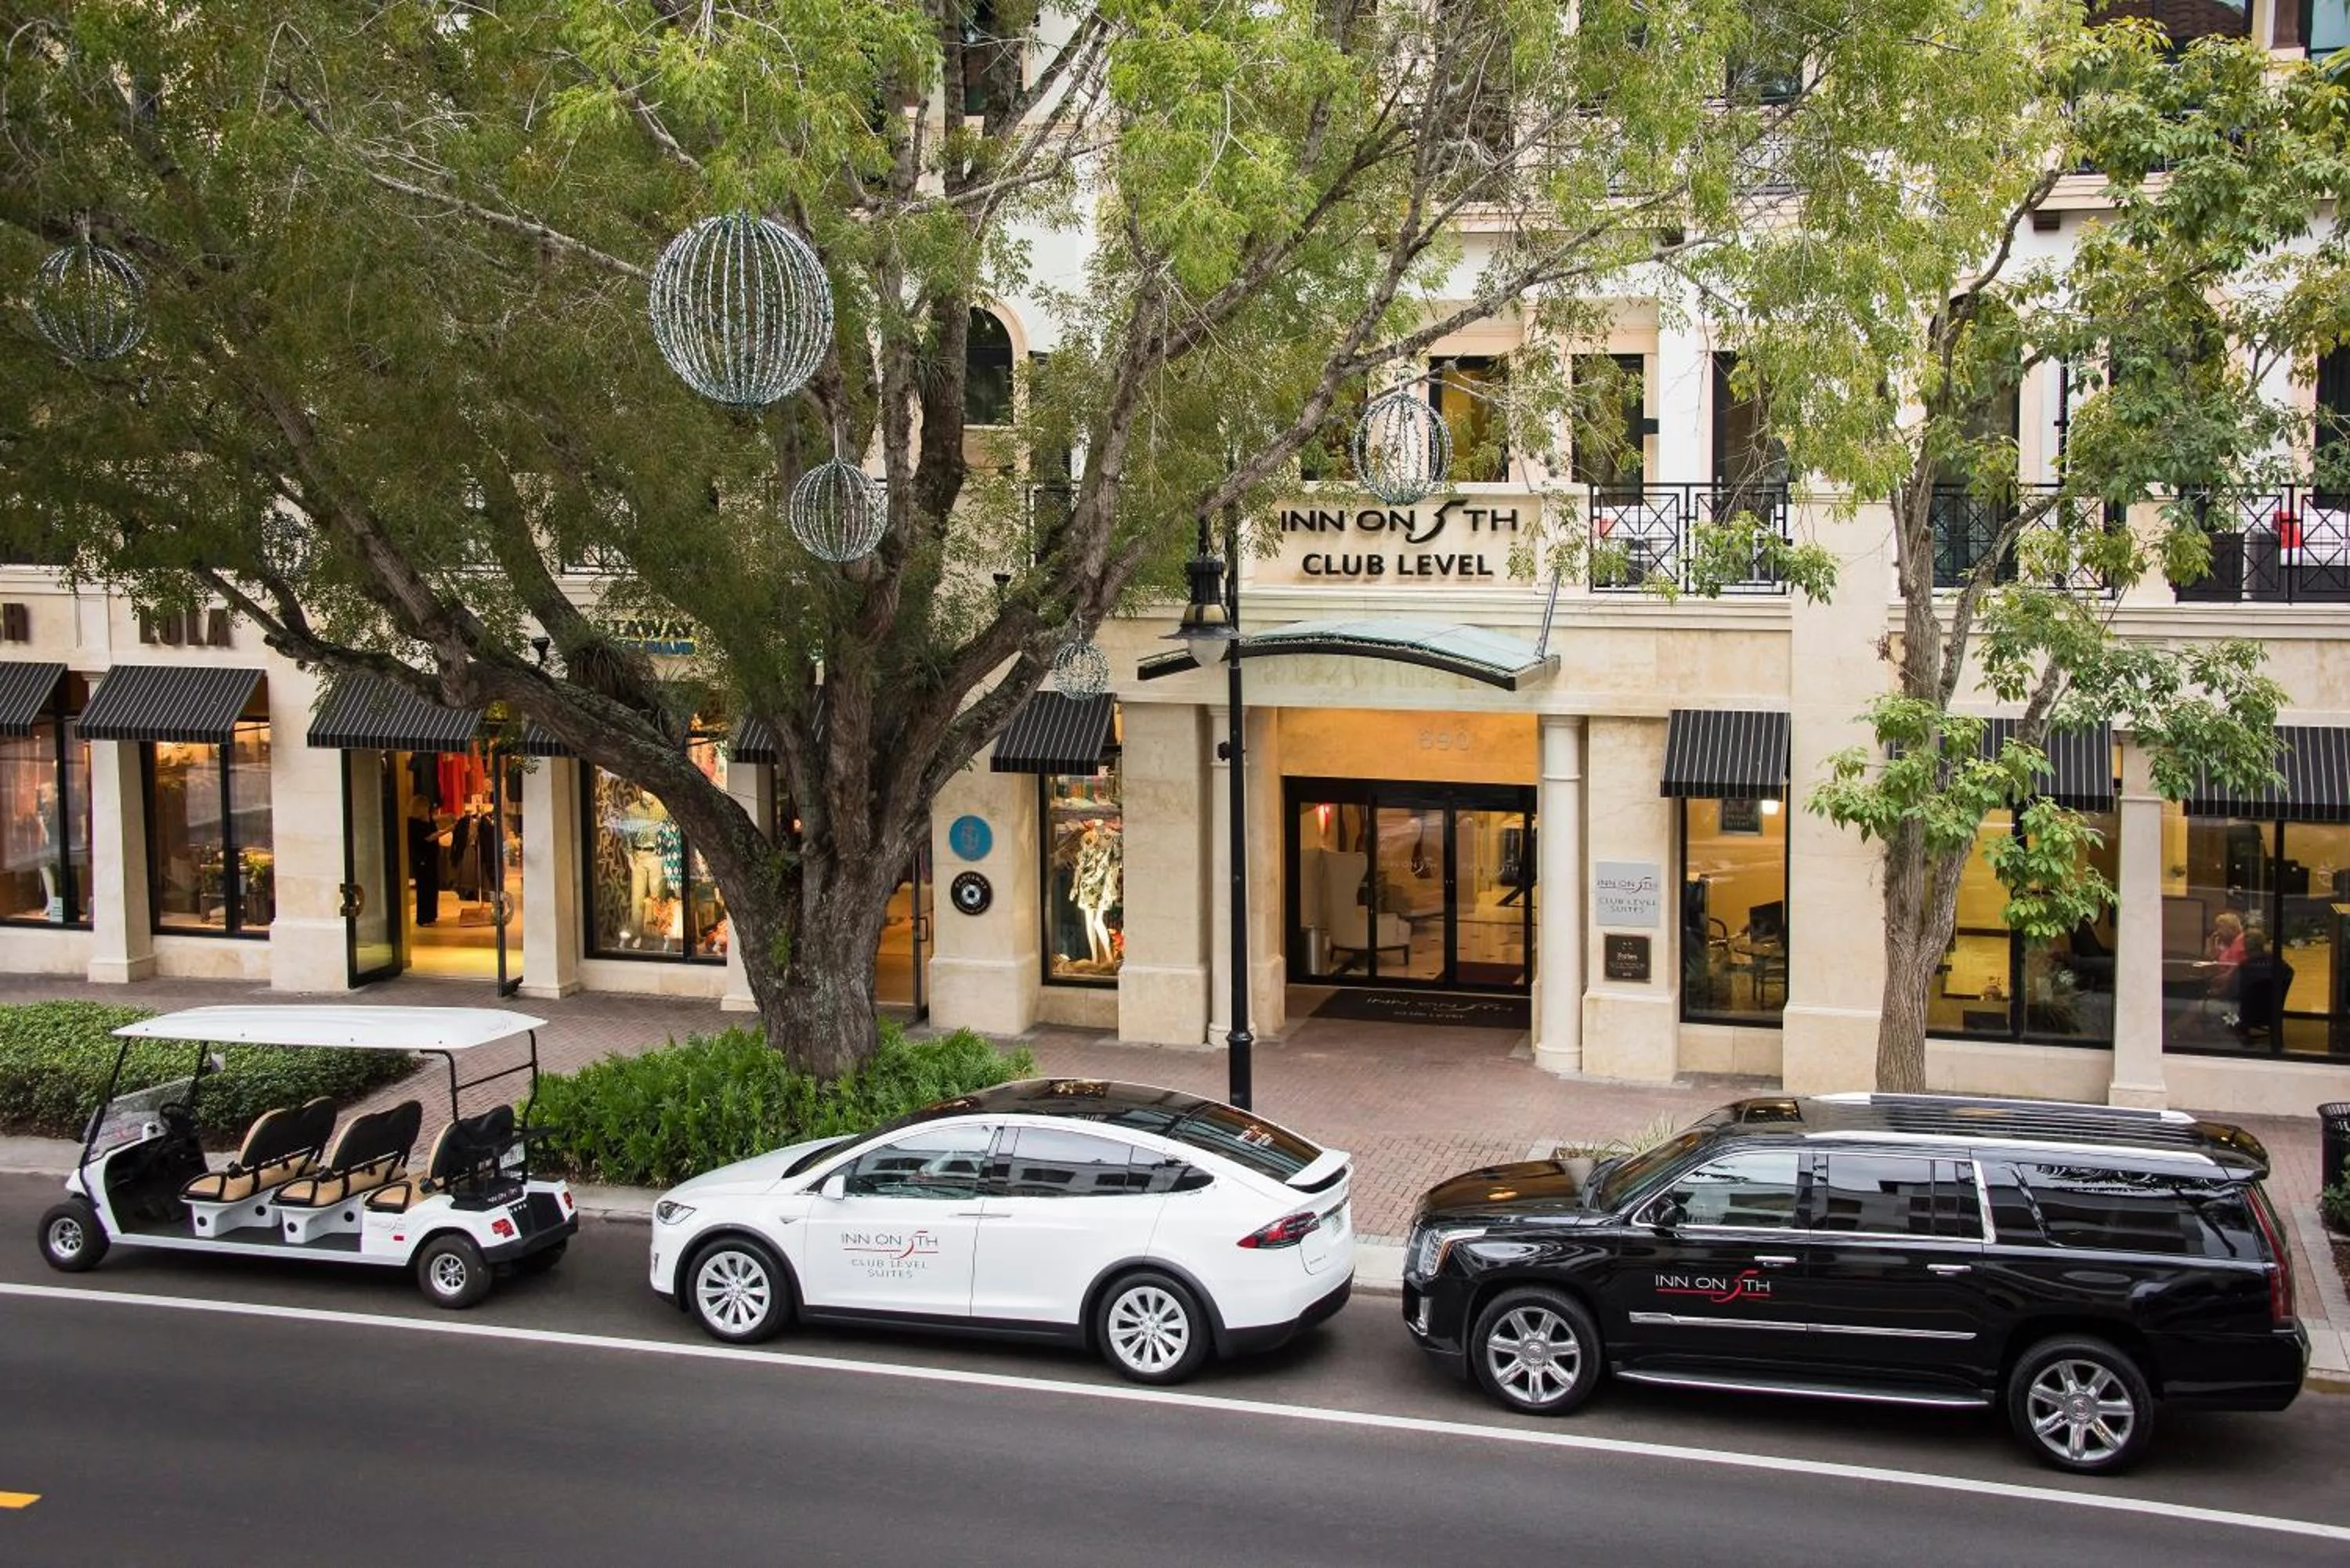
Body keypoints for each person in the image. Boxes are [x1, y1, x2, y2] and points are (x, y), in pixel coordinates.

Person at [406, 793, 448, 926]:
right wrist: (447, 830)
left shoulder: (426, 820)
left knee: (432, 887)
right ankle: (424, 918)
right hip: (422, 858)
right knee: (424, 888)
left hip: (430, 857)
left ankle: (431, 915)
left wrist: (445, 818)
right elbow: (428, 837)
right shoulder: (414, 823)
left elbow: (434, 824)